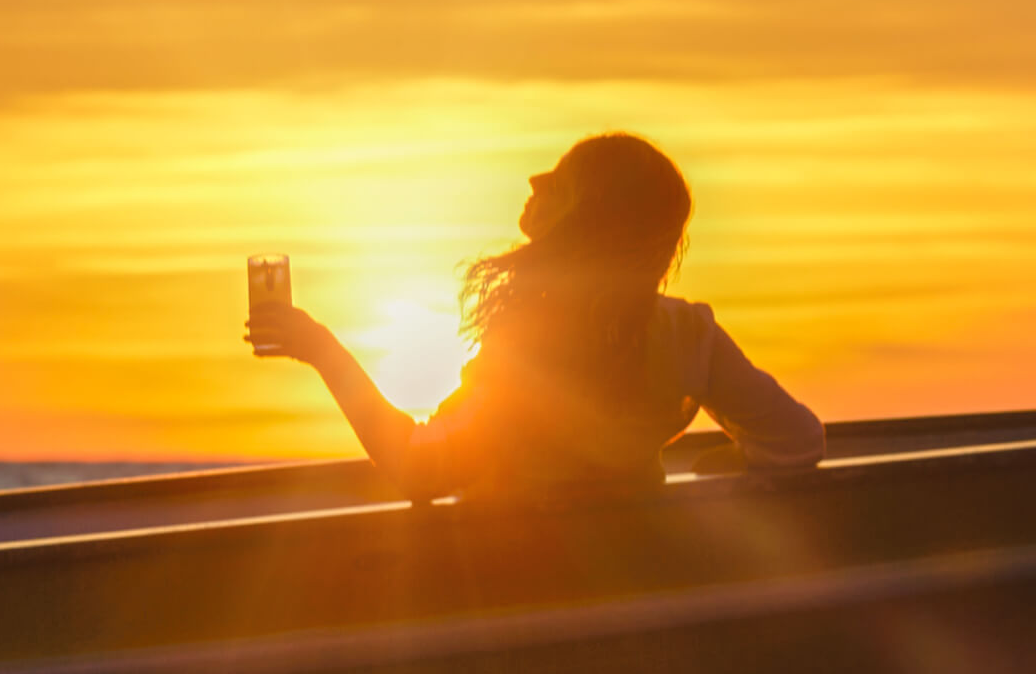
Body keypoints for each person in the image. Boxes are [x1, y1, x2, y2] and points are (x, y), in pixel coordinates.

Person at [244, 133, 825, 496]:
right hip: (638, 588)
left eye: (560, 178)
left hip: (524, 596)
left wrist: (322, 349)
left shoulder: (530, 350)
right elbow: (796, 443)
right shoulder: (688, 334)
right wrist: (714, 473)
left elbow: (421, 468)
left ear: (583, 218)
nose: (533, 181)